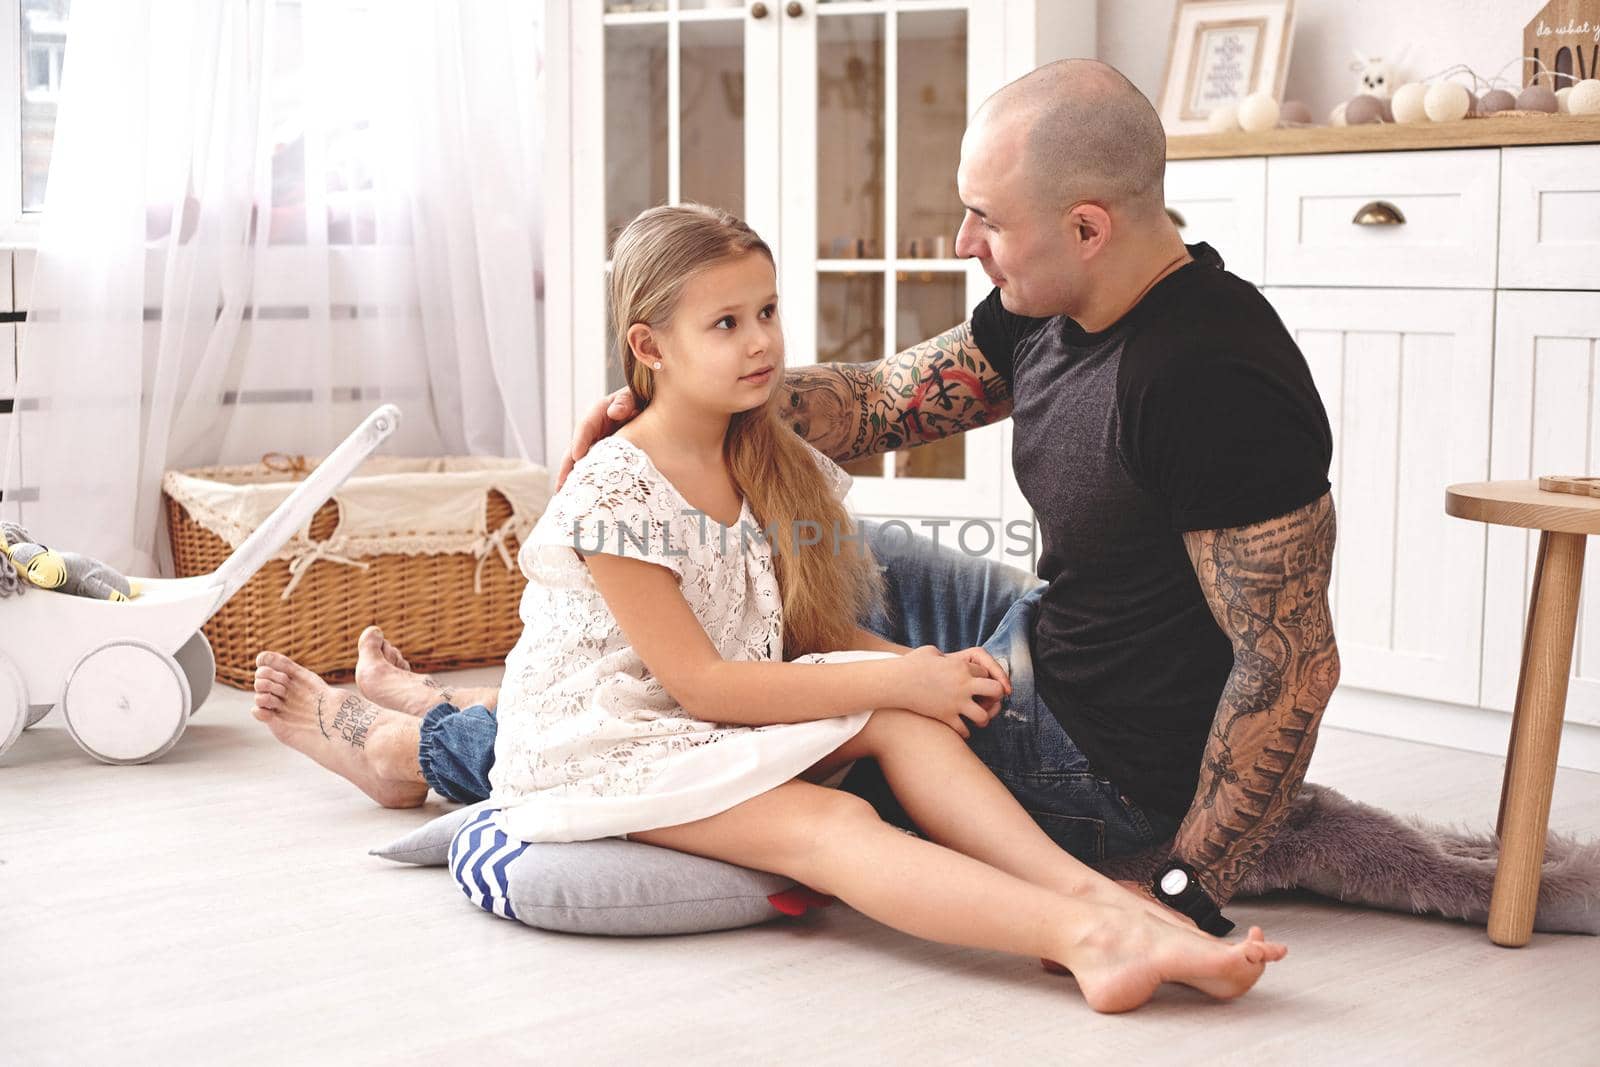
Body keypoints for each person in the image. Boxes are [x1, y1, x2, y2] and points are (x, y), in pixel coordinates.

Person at [253, 58, 1339, 937]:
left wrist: (1184, 881)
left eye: (984, 221)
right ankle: (472, 714)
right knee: (767, 565)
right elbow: (881, 402)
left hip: (1090, 754)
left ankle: (425, 742)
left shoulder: (1211, 380)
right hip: (1044, 638)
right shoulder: (1058, 301)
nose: (962, 245)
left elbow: (1290, 664)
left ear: (1089, 225)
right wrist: (667, 409)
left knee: (689, 719)